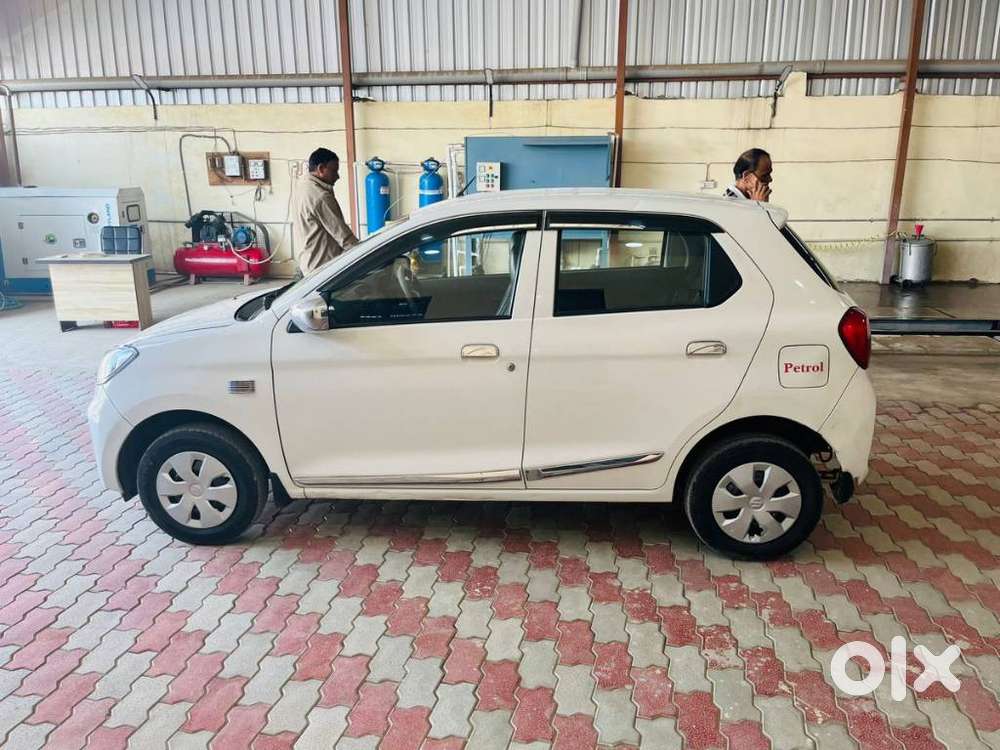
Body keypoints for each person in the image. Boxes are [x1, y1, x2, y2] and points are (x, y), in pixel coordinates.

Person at [293, 147, 359, 276]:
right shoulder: (320, 196)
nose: (338, 176)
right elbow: (344, 237)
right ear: (321, 169)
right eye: (334, 171)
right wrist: (365, 256)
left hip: (309, 262)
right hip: (324, 268)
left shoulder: (302, 185)